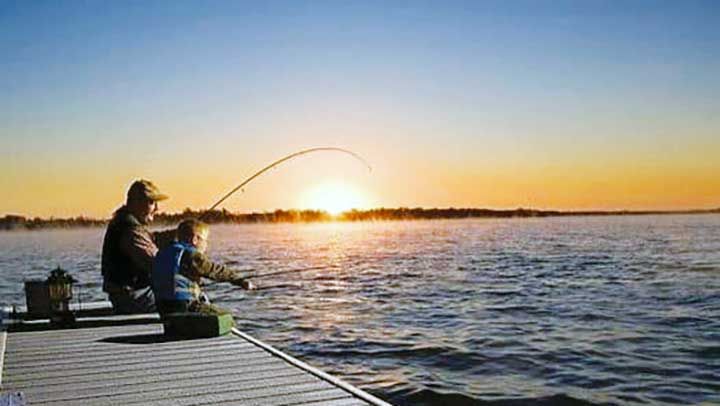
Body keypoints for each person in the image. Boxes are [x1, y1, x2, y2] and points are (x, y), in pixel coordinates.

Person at [101, 179, 176, 314]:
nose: (157, 208)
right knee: (186, 298)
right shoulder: (130, 229)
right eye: (152, 202)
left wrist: (179, 233)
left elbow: (151, 239)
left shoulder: (125, 223)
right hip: (133, 298)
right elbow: (157, 265)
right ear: (137, 203)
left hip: (130, 295)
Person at [152, 218, 255, 316]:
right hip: (184, 305)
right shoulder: (191, 255)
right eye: (204, 240)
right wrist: (240, 281)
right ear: (195, 239)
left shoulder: (164, 251)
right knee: (224, 316)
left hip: (162, 307)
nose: (206, 245)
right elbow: (216, 271)